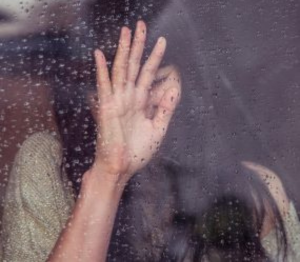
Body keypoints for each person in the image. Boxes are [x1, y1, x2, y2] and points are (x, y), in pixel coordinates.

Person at [1, 21, 300, 262]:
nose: (136, 108)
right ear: (87, 100)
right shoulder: (48, 165)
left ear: (189, 81)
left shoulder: (251, 191)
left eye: (155, 83)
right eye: (116, 90)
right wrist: (110, 173)